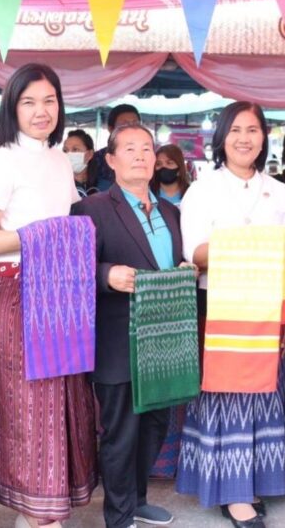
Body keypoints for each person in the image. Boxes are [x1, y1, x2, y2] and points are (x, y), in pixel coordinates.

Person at [0, 63, 97, 527]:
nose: (41, 111)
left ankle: (46, 510)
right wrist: (44, 234)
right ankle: (34, 512)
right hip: (20, 290)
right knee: (29, 404)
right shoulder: (1, 160)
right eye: (29, 102)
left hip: (62, 290)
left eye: (49, 101)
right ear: (12, 108)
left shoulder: (59, 159)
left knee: (63, 400)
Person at [176, 101, 285, 528]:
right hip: (220, 308)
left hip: (268, 306)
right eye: (235, 130)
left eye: (253, 130)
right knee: (227, 395)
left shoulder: (278, 191)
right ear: (221, 138)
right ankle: (233, 492)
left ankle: (255, 480)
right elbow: (194, 253)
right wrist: (253, 244)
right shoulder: (202, 189)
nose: (244, 139)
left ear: (264, 137)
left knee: (264, 394)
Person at [77, 122, 183, 528]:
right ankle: (118, 516)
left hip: (164, 334)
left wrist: (184, 269)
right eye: (130, 149)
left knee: (156, 424)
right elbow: (73, 268)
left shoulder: (171, 212)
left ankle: (138, 499)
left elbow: (172, 261)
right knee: (120, 431)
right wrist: (106, 274)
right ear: (111, 160)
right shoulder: (92, 208)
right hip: (117, 336)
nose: (140, 156)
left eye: (146, 149)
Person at [95, 104, 142, 192]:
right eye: (124, 124)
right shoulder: (98, 159)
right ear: (111, 129)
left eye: (135, 124)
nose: (131, 128)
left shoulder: (147, 157)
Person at [64, 129, 100, 197]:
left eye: (75, 149)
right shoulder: (59, 184)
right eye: (65, 150)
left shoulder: (103, 186)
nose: (69, 154)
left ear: (89, 154)